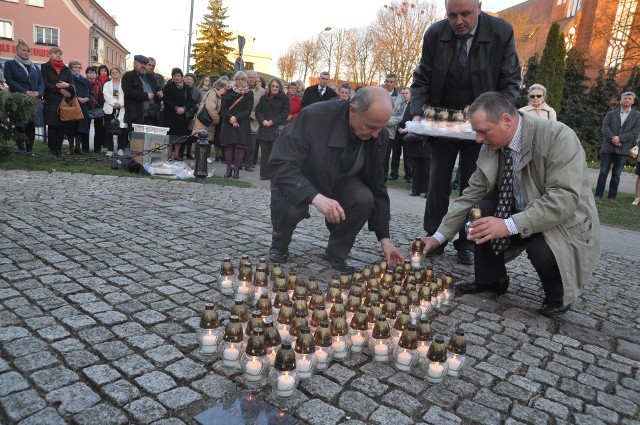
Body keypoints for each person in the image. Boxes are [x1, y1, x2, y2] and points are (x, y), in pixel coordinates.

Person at [420, 92, 600, 317]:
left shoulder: (558, 136)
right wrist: (438, 237)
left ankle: (558, 294)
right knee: (479, 212)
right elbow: (469, 196)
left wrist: (508, 225)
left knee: (542, 249)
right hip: (519, 208)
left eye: (483, 131)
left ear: (506, 120)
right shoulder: (492, 145)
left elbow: (563, 199)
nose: (477, 139)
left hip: (561, 220)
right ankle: (492, 280)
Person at [410, 0, 521, 266]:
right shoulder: (435, 34)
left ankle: (468, 242)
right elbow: (422, 77)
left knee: (475, 186)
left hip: (480, 128)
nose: (459, 20)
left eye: (466, 14)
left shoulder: (501, 32)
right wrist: (417, 113)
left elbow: (510, 81)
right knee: (437, 182)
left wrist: (495, 118)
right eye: (452, 15)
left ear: (480, 6)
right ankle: (435, 236)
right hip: (442, 124)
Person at [267, 86, 405, 272]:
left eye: (381, 127)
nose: (375, 134)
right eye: (371, 126)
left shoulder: (378, 135)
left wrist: (385, 240)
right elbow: (279, 164)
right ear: (353, 111)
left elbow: (377, 185)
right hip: (300, 176)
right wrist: (315, 197)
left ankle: (337, 252)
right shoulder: (313, 117)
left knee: (363, 198)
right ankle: (279, 243)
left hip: (340, 179)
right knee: (292, 203)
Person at [595, 92, 640, 203]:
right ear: (621, 100)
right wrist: (613, 139)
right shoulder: (611, 113)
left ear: (633, 102)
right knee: (603, 172)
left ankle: (612, 197)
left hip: (623, 149)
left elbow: (635, 132)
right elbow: (605, 128)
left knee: (616, 175)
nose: (627, 100)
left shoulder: (637, 116)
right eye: (625, 98)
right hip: (608, 148)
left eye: (629, 98)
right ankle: (598, 195)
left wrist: (620, 138)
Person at [2, 39, 44, 154]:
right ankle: (21, 149)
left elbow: (41, 82)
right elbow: (9, 80)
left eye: (28, 51)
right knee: (19, 125)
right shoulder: (10, 64)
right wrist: (24, 91)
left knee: (31, 125)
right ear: (17, 51)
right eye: (23, 50)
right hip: (18, 99)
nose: (26, 52)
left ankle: (29, 150)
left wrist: (39, 92)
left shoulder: (34, 66)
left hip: (33, 100)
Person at [220, 71, 254, 179]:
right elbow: (224, 108)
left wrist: (236, 118)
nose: (240, 82)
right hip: (229, 123)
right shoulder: (229, 91)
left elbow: (248, 110)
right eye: (238, 79)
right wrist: (231, 118)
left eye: (243, 80)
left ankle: (237, 171)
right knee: (229, 147)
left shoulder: (249, 93)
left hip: (242, 123)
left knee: (240, 147)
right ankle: (229, 169)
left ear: (245, 81)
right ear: (235, 80)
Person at [40, 46, 74, 157]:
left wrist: (67, 85)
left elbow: (72, 84)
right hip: (51, 100)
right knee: (52, 126)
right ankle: (52, 149)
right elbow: (45, 83)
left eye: (60, 53)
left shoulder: (66, 69)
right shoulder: (45, 67)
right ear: (50, 54)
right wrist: (59, 89)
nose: (58, 55)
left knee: (61, 126)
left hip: (64, 102)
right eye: (56, 53)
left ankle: (58, 149)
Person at [397, 87, 430, 197]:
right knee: (415, 168)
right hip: (415, 140)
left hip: (426, 142)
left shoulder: (430, 107)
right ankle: (415, 190)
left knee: (426, 169)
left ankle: (426, 191)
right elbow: (407, 119)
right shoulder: (412, 105)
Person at [255, 78, 290, 180]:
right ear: (270, 86)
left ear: (280, 88)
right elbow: (258, 111)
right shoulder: (264, 97)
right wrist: (263, 120)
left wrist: (272, 121)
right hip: (264, 129)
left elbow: (285, 113)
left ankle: (274, 174)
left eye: (277, 86)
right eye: (273, 86)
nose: (274, 88)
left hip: (276, 130)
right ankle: (264, 174)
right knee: (264, 154)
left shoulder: (285, 99)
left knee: (274, 154)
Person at [122, 55, 162, 130]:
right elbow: (128, 92)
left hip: (151, 115)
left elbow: (157, 88)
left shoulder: (151, 77)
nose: (143, 66)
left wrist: (159, 93)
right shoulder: (128, 76)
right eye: (141, 63)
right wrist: (145, 95)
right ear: (134, 63)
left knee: (149, 139)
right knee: (135, 140)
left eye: (145, 64)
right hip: (135, 115)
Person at [383, 73, 411, 182]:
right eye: (387, 81)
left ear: (395, 83)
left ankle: (382, 182)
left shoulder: (399, 98)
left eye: (391, 82)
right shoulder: (377, 93)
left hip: (388, 132)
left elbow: (398, 117)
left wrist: (381, 122)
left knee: (385, 158)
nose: (388, 84)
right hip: (373, 130)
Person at [163, 68, 195, 161]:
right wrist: (176, 108)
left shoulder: (186, 88)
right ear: (172, 77)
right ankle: (169, 155)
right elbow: (166, 100)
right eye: (174, 76)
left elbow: (191, 101)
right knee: (170, 135)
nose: (176, 78)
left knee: (179, 136)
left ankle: (177, 154)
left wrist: (184, 108)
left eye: (178, 76)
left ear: (181, 77)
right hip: (170, 114)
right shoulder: (168, 86)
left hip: (182, 115)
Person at [192, 78, 227, 164]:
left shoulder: (216, 94)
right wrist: (217, 119)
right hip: (204, 120)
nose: (225, 90)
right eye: (224, 88)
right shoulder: (212, 93)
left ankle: (204, 157)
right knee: (202, 138)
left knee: (206, 139)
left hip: (208, 121)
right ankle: (200, 158)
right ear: (219, 87)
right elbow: (210, 108)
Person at [67, 60, 91, 155]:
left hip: (83, 107)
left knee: (81, 128)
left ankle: (78, 147)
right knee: (71, 127)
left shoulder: (85, 80)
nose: (78, 69)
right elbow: (67, 92)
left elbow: (90, 93)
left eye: (79, 67)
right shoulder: (68, 78)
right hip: (72, 106)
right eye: (75, 67)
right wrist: (77, 98)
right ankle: (70, 148)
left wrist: (87, 98)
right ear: (70, 68)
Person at [102, 67, 127, 157]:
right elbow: (106, 95)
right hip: (110, 109)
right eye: (112, 73)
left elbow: (125, 96)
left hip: (121, 109)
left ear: (120, 74)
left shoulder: (124, 84)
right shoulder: (107, 84)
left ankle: (120, 149)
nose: (115, 74)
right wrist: (114, 103)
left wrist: (119, 104)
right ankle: (110, 149)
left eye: (117, 72)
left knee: (122, 130)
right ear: (110, 75)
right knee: (108, 130)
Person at [244, 70, 265, 172]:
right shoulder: (242, 89)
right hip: (241, 120)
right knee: (241, 142)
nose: (251, 79)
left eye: (253, 77)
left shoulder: (261, 91)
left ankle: (249, 163)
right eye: (249, 77)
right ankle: (239, 162)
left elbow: (260, 108)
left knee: (252, 145)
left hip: (253, 120)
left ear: (256, 78)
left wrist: (251, 115)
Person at [85, 66, 105, 153]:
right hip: (87, 108)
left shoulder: (100, 84)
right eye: (89, 72)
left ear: (96, 75)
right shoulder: (84, 83)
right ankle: (85, 148)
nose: (92, 74)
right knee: (86, 128)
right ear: (86, 74)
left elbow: (102, 96)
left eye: (93, 73)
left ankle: (97, 148)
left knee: (98, 129)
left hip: (98, 108)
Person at [182, 72, 202, 160]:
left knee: (190, 135)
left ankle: (189, 153)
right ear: (185, 79)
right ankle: (180, 152)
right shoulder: (182, 88)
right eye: (188, 79)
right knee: (181, 134)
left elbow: (200, 102)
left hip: (192, 115)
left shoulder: (197, 91)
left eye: (192, 80)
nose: (190, 81)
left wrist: (196, 107)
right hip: (182, 114)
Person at [146, 57, 165, 125]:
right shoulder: (139, 76)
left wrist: (160, 93)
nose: (151, 67)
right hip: (141, 108)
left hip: (154, 108)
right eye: (149, 64)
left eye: (153, 66)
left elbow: (163, 90)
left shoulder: (159, 78)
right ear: (145, 64)